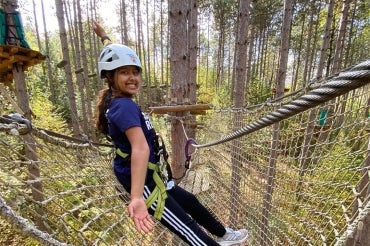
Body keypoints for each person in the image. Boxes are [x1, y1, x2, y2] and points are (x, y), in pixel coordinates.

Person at [93, 20, 248, 246]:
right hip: (143, 183)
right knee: (189, 229)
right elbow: (140, 147)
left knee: (191, 201)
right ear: (109, 76)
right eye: (124, 72)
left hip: (153, 176)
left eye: (135, 72)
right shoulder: (122, 106)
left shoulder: (120, 101)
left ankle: (224, 235)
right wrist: (136, 197)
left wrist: (104, 36)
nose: (132, 77)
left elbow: (112, 54)